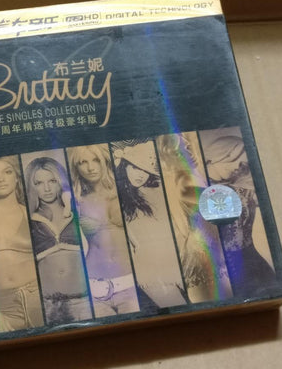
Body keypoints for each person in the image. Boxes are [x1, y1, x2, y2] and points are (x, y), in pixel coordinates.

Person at [156, 133, 232, 303]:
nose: (188, 150)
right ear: (170, 153)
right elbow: (224, 207)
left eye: (188, 145)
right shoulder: (184, 181)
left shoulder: (191, 176)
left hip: (208, 250)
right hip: (199, 256)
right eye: (180, 148)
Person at [203, 134, 280, 298]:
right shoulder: (205, 189)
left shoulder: (241, 185)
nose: (239, 166)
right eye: (234, 160)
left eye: (241, 162)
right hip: (233, 269)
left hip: (252, 264)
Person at [67, 144, 139, 317]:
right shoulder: (77, 199)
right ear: (76, 168)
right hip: (94, 286)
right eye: (83, 162)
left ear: (104, 161)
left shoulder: (123, 189)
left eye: (96, 160)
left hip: (128, 284)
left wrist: (133, 236)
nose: (90, 168)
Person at [113, 141, 187, 309]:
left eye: (145, 171)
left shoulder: (159, 189)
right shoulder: (118, 197)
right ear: (124, 166)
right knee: (178, 310)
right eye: (135, 167)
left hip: (178, 257)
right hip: (149, 267)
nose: (141, 175)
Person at [0, 156, 43, 331]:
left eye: (7, 172)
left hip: (38, 296)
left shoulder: (32, 213)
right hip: (2, 306)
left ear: (17, 177)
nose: (1, 179)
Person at [24, 157, 92, 324]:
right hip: (48, 304)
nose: (47, 188)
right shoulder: (28, 219)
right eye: (39, 183)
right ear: (31, 186)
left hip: (83, 300)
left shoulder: (78, 210)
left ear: (61, 181)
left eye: (52, 181)